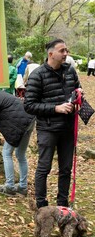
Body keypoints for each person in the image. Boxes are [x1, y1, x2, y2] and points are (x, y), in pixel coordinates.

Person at [24, 39, 81, 208]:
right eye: (62, 51)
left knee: (66, 169)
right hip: (48, 129)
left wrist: (79, 94)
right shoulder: (38, 75)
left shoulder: (70, 71)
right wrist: (56, 108)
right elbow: (29, 105)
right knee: (44, 168)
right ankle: (42, 206)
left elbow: (76, 88)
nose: (66, 54)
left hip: (68, 128)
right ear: (51, 54)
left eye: (66, 50)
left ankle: (62, 205)